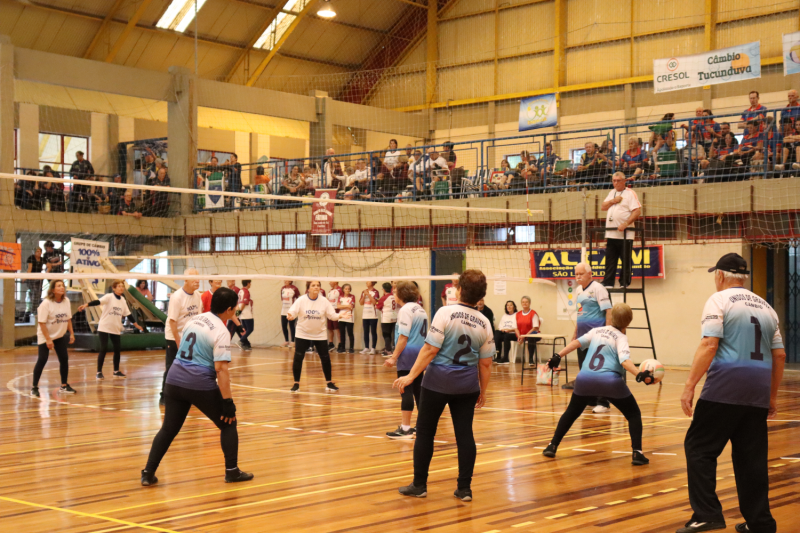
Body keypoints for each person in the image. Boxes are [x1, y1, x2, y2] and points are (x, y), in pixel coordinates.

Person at [677, 253, 784, 533]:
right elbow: (780, 355)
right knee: (751, 459)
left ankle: (707, 514)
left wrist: (689, 386)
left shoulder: (719, 300)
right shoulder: (767, 307)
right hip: (757, 391)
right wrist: (771, 397)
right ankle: (760, 523)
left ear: (721, 276)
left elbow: (710, 344)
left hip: (725, 387)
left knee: (699, 448)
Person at [394, 270, 494, 501]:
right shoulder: (485, 322)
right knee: (464, 435)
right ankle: (464, 489)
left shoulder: (445, 312)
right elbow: (486, 364)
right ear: (481, 295)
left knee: (426, 433)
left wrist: (410, 376)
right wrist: (483, 391)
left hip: (437, 381)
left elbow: (430, 349)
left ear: (459, 290)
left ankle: (419, 485)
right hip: (467, 386)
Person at [141, 287, 254, 486]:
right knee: (228, 423)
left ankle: (148, 473)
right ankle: (232, 471)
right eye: (235, 308)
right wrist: (228, 402)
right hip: (198, 383)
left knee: (168, 429)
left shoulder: (195, 319)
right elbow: (221, 370)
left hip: (174, 380)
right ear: (229, 309)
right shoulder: (221, 331)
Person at [542, 303, 651, 466]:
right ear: (628, 322)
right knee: (633, 414)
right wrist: (640, 375)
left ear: (611, 317)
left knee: (571, 412)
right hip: (610, 382)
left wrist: (558, 355)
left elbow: (576, 343)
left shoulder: (596, 331)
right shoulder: (621, 338)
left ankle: (552, 445)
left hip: (585, 379)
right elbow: (625, 361)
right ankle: (637, 453)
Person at [562, 263, 613, 415]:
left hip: (597, 337)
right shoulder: (578, 290)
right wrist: (575, 333)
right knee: (585, 370)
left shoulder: (598, 288)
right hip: (582, 337)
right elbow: (580, 314)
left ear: (590, 274)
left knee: (598, 370)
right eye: (576, 274)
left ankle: (604, 402)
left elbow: (608, 311)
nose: (577, 277)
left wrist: (608, 332)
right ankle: (591, 400)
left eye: (581, 274)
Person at [384, 281, 429, 439]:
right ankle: (422, 427)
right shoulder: (420, 309)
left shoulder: (405, 310)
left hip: (408, 353)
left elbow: (403, 337)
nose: (393, 295)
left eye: (395, 292)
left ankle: (405, 428)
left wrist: (393, 357)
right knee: (418, 391)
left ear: (401, 295)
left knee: (405, 390)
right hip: (420, 353)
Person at [78, 280, 144, 379]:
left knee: (117, 349)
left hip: (115, 328)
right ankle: (99, 372)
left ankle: (116, 371)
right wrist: (86, 305)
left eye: (122, 286)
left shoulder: (122, 300)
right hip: (104, 327)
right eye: (119, 286)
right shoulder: (109, 297)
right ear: (114, 288)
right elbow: (98, 302)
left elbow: (128, 314)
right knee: (103, 349)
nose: (121, 288)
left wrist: (136, 325)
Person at [286, 281, 342, 393]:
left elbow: (332, 315)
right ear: (308, 289)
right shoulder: (301, 300)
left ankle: (329, 383)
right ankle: (296, 384)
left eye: (318, 285)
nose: (316, 287)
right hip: (302, 333)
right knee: (298, 357)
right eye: (313, 285)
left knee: (325, 358)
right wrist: (290, 316)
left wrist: (340, 315)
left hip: (319, 334)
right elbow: (292, 311)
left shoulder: (324, 301)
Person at [161, 269, 204, 405]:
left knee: (190, 367)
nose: (197, 281)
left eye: (198, 279)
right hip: (173, 337)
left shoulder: (197, 296)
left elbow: (198, 317)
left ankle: (187, 395)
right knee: (172, 367)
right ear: (185, 280)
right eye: (194, 279)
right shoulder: (177, 297)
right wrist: (178, 341)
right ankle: (164, 395)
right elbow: (172, 321)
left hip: (189, 337)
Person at [30, 280, 76, 397]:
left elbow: (68, 319)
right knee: (42, 359)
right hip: (45, 336)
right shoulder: (46, 304)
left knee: (64, 358)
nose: (62, 288)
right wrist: (48, 339)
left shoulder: (66, 301)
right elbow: (41, 323)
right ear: (52, 290)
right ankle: (34, 387)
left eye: (63, 286)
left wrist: (71, 333)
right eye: (59, 286)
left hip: (59, 335)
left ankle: (64, 386)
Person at [601, 172, 641, 288]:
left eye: (618, 180)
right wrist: (613, 201)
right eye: (614, 181)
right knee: (610, 260)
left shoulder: (630, 193)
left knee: (626, 260)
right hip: (611, 233)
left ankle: (624, 282)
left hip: (625, 234)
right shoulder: (611, 193)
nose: (616, 183)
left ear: (624, 181)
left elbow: (637, 211)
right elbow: (603, 207)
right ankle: (608, 282)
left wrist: (626, 223)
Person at [516, 296, 541, 365]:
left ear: (529, 303)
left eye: (526, 302)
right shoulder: (518, 314)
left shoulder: (533, 313)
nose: (525, 303)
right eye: (523, 302)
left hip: (532, 334)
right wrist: (519, 337)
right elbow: (516, 328)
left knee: (531, 337)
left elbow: (535, 328)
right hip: (522, 335)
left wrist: (524, 336)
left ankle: (531, 359)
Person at [376, 282, 397, 356]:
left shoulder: (384, 298)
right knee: (394, 334)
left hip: (386, 318)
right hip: (394, 317)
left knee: (386, 334)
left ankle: (388, 350)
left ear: (383, 289)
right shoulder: (394, 296)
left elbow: (377, 307)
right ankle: (394, 349)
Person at [359, 281, 380, 355]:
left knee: (373, 331)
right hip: (365, 315)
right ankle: (366, 347)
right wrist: (364, 295)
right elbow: (361, 303)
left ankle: (373, 348)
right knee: (366, 331)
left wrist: (369, 295)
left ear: (372, 283)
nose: (366, 282)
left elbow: (375, 302)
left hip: (373, 315)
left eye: (368, 281)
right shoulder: (363, 291)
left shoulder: (376, 292)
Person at [233, 280, 254, 351]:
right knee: (250, 329)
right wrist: (237, 314)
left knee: (244, 331)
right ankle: (241, 341)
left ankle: (245, 345)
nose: (250, 284)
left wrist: (238, 314)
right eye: (250, 283)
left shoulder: (240, 291)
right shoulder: (246, 291)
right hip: (247, 314)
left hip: (242, 314)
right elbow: (243, 304)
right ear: (248, 284)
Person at [280, 280, 300, 348]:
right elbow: (282, 299)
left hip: (291, 309)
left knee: (291, 325)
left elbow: (298, 298)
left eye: (287, 279)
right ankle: (286, 340)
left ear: (290, 281)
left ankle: (292, 341)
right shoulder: (283, 288)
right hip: (284, 310)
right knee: (284, 325)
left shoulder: (294, 288)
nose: (285, 281)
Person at [337, 283, 356, 354]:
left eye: (348, 289)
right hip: (341, 316)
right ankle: (342, 348)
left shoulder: (352, 296)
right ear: (343, 289)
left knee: (350, 332)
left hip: (349, 316)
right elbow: (338, 306)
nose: (347, 290)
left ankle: (351, 348)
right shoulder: (340, 296)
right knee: (342, 333)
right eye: (346, 289)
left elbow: (351, 306)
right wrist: (346, 306)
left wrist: (343, 306)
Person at [26, 247, 44, 317]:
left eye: (40, 251)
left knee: (38, 294)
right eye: (37, 251)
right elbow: (29, 269)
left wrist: (47, 272)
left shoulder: (42, 259)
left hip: (38, 278)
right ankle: (32, 310)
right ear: (34, 252)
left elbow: (49, 265)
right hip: (31, 278)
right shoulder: (31, 258)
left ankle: (36, 310)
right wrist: (27, 277)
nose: (39, 253)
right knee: (33, 294)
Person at [327, 282, 342, 351]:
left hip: (336, 310)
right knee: (330, 328)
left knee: (337, 328)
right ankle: (331, 343)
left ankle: (340, 344)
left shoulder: (340, 290)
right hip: (330, 311)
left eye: (331, 281)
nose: (329, 282)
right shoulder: (330, 291)